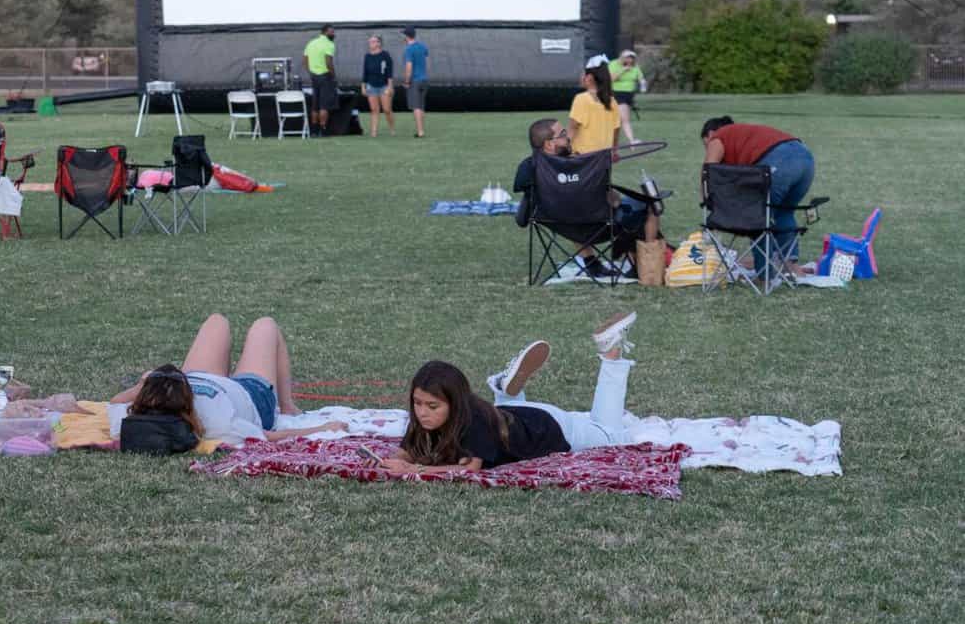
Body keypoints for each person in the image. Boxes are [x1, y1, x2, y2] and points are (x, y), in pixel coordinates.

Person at [381, 311, 637, 473]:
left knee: (611, 434)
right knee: (509, 424)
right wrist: (387, 460)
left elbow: (468, 469)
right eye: (418, 403)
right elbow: (409, 448)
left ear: (455, 403)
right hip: (518, 415)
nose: (422, 412)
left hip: (551, 428)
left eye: (432, 406)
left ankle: (611, 353)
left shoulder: (472, 422)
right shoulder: (428, 416)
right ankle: (507, 392)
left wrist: (412, 469)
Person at [108, 314, 346, 446]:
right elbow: (266, 436)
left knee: (216, 320)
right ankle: (287, 406)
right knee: (265, 325)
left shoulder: (131, 419)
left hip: (193, 379)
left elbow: (116, 400)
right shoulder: (219, 422)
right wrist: (322, 428)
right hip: (250, 394)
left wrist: (146, 383)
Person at [515, 118, 659, 283]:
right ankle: (644, 266)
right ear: (549, 144)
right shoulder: (585, 165)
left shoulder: (529, 167)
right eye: (563, 134)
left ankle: (592, 263)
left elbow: (523, 214)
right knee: (644, 206)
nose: (568, 136)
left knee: (571, 208)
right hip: (601, 225)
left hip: (559, 223)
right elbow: (615, 202)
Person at [701, 116, 816, 283]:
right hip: (806, 160)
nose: (708, 149)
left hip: (781, 161)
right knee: (784, 212)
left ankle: (765, 274)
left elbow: (708, 171)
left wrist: (706, 199)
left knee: (757, 216)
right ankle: (790, 267)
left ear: (710, 134)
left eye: (706, 145)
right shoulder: (745, 137)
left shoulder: (718, 136)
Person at [568, 55, 621, 154]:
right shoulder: (612, 101)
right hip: (603, 157)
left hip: (583, 157)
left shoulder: (581, 99)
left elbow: (573, 128)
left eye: (583, 74)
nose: (581, 77)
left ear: (589, 78)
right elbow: (616, 131)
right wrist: (614, 151)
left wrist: (564, 150)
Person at [302, 24, 338, 137]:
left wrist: (311, 72)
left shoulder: (311, 43)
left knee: (315, 105)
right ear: (324, 32)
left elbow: (305, 60)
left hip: (314, 76)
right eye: (331, 32)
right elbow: (329, 62)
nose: (333, 34)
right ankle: (323, 129)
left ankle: (314, 131)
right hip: (325, 76)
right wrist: (333, 75)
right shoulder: (329, 44)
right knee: (324, 105)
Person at [361, 34, 396, 137]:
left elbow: (389, 72)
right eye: (370, 41)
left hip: (384, 86)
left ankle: (392, 128)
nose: (370, 43)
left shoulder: (385, 55)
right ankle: (374, 132)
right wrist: (363, 86)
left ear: (379, 43)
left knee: (387, 109)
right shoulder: (367, 56)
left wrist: (390, 87)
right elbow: (365, 72)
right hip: (371, 86)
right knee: (374, 110)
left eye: (373, 41)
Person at [610, 49, 646, 145]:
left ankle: (620, 141)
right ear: (622, 57)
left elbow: (640, 78)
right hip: (617, 94)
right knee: (625, 119)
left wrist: (642, 84)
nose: (630, 60)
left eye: (632, 58)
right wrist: (623, 70)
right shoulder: (614, 64)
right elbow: (611, 79)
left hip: (629, 96)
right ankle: (631, 141)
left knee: (620, 119)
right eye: (627, 57)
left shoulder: (635, 67)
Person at [401, 27, 429, 138]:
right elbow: (426, 63)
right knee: (421, 106)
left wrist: (407, 81)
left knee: (416, 107)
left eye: (403, 35)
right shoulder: (423, 47)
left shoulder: (409, 49)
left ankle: (420, 131)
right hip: (424, 80)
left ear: (407, 36)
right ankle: (422, 129)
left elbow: (409, 66)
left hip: (415, 81)